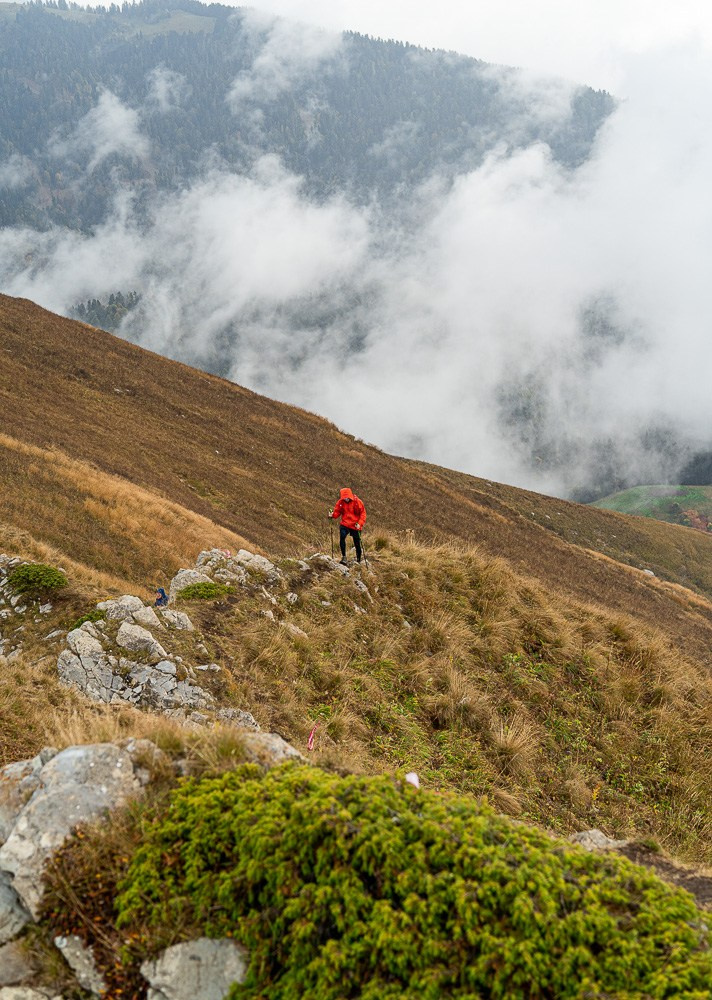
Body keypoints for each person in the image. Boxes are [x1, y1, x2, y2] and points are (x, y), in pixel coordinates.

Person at [329, 487, 367, 565]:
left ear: (350, 496)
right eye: (344, 497)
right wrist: (332, 515)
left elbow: (363, 514)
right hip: (345, 524)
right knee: (342, 537)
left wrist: (359, 524)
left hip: (355, 525)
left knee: (357, 543)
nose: (346, 499)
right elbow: (337, 512)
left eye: (347, 497)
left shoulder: (358, 502)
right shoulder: (341, 502)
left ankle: (359, 559)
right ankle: (344, 557)